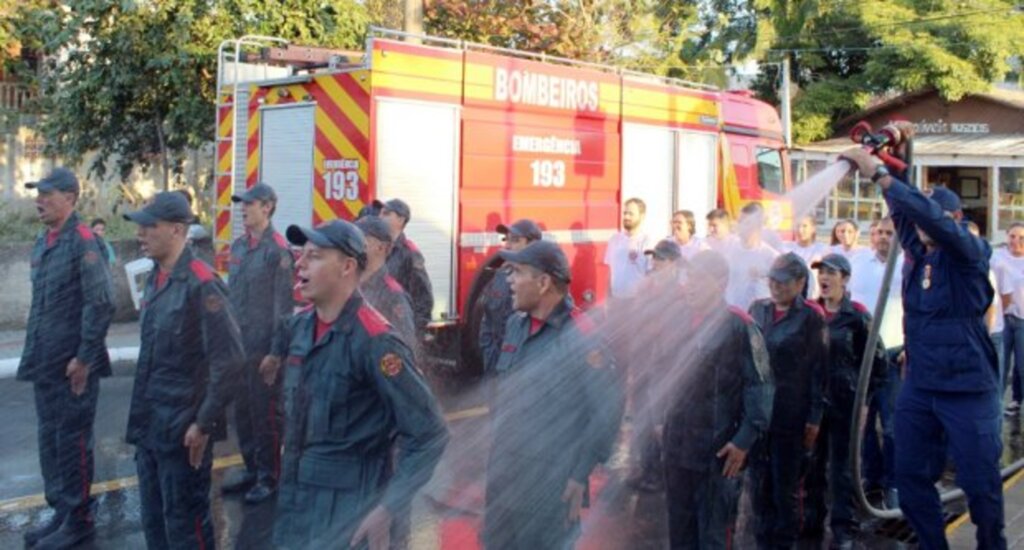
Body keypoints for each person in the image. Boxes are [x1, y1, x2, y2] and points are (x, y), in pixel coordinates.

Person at [842, 144, 1006, 549]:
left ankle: (992, 543)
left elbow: (927, 217)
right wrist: (888, 165)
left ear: (954, 218)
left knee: (979, 481)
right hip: (921, 385)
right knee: (911, 475)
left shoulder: (967, 252)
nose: (916, 225)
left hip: (968, 387)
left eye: (930, 217)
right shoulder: (919, 253)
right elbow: (905, 213)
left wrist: (879, 173)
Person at [272, 220, 448, 550]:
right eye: (302, 254)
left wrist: (388, 508)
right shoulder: (299, 328)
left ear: (347, 267)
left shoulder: (375, 341)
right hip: (297, 506)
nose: (300, 263)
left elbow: (430, 433)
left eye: (315, 256)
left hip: (348, 516)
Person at [122, 191, 245, 550]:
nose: (140, 234)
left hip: (182, 430)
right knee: (154, 520)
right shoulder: (157, 279)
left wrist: (203, 422)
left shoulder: (202, 283)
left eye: (149, 226)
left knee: (185, 524)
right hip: (149, 424)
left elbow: (230, 360)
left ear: (177, 230)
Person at [483, 240, 623, 549]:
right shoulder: (515, 325)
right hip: (505, 478)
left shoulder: (581, 335)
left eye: (517, 273)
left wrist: (579, 474)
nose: (510, 281)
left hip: (550, 486)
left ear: (544, 282)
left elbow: (607, 410)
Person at [18, 168, 115, 549]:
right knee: (50, 439)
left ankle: (79, 519)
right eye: (37, 194)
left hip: (72, 365)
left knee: (72, 440)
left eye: (47, 194)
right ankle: (61, 511)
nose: (39, 200)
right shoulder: (44, 242)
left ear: (71, 198)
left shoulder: (83, 242)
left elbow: (101, 302)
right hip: (44, 361)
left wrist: (85, 358)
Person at [661, 250, 775, 549]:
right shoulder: (677, 320)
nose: (690, 285)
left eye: (699, 279)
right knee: (680, 533)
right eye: (689, 278)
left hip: (717, 452)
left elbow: (760, 386)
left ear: (721, 282)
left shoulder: (740, 325)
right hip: (678, 448)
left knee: (713, 535)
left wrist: (744, 439)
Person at [220, 182, 295, 504]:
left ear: (267, 207)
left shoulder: (277, 250)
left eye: (249, 204)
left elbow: (284, 308)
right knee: (243, 415)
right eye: (241, 204)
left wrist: (276, 353)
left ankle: (269, 476)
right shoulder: (238, 247)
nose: (243, 209)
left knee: (265, 416)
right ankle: (252, 468)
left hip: (263, 348)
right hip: (238, 348)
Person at [807, 253, 888, 548]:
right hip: (815, 404)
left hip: (846, 402)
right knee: (813, 464)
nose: (824, 278)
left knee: (842, 468)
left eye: (831, 272)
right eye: (821, 273)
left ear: (845, 279)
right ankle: (812, 521)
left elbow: (878, 363)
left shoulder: (857, 315)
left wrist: (864, 402)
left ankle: (844, 527)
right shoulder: (810, 312)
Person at [747, 252, 828, 550]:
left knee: (785, 487)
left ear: (799, 283)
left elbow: (820, 370)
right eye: (772, 280)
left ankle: (785, 543)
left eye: (783, 282)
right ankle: (762, 541)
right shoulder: (758, 310)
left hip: (791, 413)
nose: (776, 287)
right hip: (759, 413)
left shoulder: (810, 317)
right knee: (758, 486)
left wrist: (815, 417)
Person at [848, 216, 905, 509]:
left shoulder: (907, 266)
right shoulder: (859, 263)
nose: (883, 237)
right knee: (865, 424)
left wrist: (910, 346)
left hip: (894, 354)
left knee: (893, 424)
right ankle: (872, 476)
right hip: (862, 355)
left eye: (888, 233)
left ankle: (894, 482)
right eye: (879, 232)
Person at [625, 239, 686, 491]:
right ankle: (646, 467)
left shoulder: (681, 294)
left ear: (674, 263)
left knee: (658, 419)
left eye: (661, 259)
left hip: (663, 364)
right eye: (654, 258)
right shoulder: (647, 289)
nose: (655, 263)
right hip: (642, 360)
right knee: (641, 416)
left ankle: (660, 473)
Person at [479, 219, 543, 373]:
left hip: (524, 370)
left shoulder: (543, 280)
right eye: (506, 239)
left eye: (514, 240)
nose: (507, 245)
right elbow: (487, 317)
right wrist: (489, 353)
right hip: (496, 365)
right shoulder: (501, 274)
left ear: (532, 243)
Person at [356, 215, 418, 350]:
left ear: (381, 247)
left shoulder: (393, 296)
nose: (353, 244)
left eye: (361, 239)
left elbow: (405, 347)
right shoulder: (349, 285)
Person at [374, 198, 434, 332]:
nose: (380, 217)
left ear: (401, 220)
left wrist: (412, 333)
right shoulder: (377, 248)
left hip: (398, 330)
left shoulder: (410, 254)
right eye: (380, 213)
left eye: (386, 213)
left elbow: (424, 298)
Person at [725, 203, 779, 310]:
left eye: (746, 223)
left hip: (755, 318)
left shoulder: (771, 256)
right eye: (740, 221)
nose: (741, 226)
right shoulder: (729, 248)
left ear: (758, 225)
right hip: (730, 314)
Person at [997, 222, 1024, 415]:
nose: (1016, 241)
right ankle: (996, 403)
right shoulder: (998, 257)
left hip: (1022, 319)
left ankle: (1017, 399)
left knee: (1022, 364)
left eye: (1021, 238)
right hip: (1003, 317)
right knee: (1001, 362)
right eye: (1013, 236)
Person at [604, 197, 652, 299]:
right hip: (616, 300)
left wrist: (643, 301)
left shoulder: (647, 241)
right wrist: (607, 299)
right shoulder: (614, 239)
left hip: (637, 301)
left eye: (631, 214)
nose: (626, 216)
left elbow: (650, 275)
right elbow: (610, 272)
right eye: (625, 213)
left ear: (642, 216)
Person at [784, 215, 828, 300]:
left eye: (804, 226)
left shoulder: (822, 249)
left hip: (814, 300)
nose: (800, 230)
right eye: (798, 226)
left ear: (813, 228)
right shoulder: (786, 248)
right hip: (790, 299)